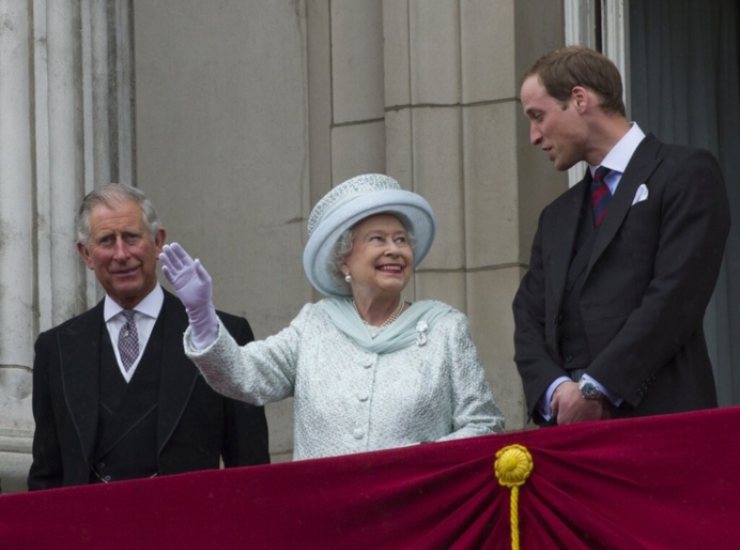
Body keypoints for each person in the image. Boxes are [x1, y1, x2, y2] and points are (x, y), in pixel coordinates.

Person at [160, 173, 504, 460]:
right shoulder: (314, 325)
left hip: (417, 519)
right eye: (377, 239)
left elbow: (484, 424)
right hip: (327, 523)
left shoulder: (446, 329)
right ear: (344, 259)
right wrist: (201, 315)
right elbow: (244, 376)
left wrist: (416, 461)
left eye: (401, 240)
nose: (394, 250)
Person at [513, 46, 730, 426]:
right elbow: (528, 317)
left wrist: (597, 388)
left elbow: (676, 296)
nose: (533, 136)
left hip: (665, 428)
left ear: (579, 99)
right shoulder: (556, 217)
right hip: (571, 445)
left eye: (538, 116)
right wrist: (558, 391)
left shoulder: (685, 174)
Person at [28, 183, 270, 489]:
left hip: (188, 530)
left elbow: (250, 469)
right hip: (89, 531)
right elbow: (46, 476)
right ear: (86, 254)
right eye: (106, 241)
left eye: (131, 238)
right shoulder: (56, 350)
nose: (121, 254)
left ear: (157, 242)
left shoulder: (223, 336)